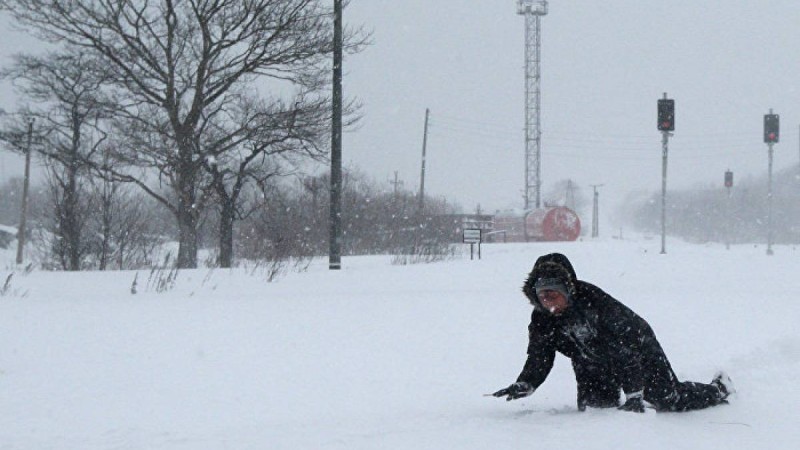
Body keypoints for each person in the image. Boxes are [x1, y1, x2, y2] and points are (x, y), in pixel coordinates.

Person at [492, 252, 733, 412]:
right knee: (597, 410)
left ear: (567, 289)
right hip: (589, 361)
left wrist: (634, 394)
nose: (549, 303)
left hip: (638, 348)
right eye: (543, 297)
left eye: (553, 295)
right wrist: (526, 383)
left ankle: (718, 389)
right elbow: (540, 355)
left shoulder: (595, 303)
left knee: (668, 399)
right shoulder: (541, 318)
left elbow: (624, 352)